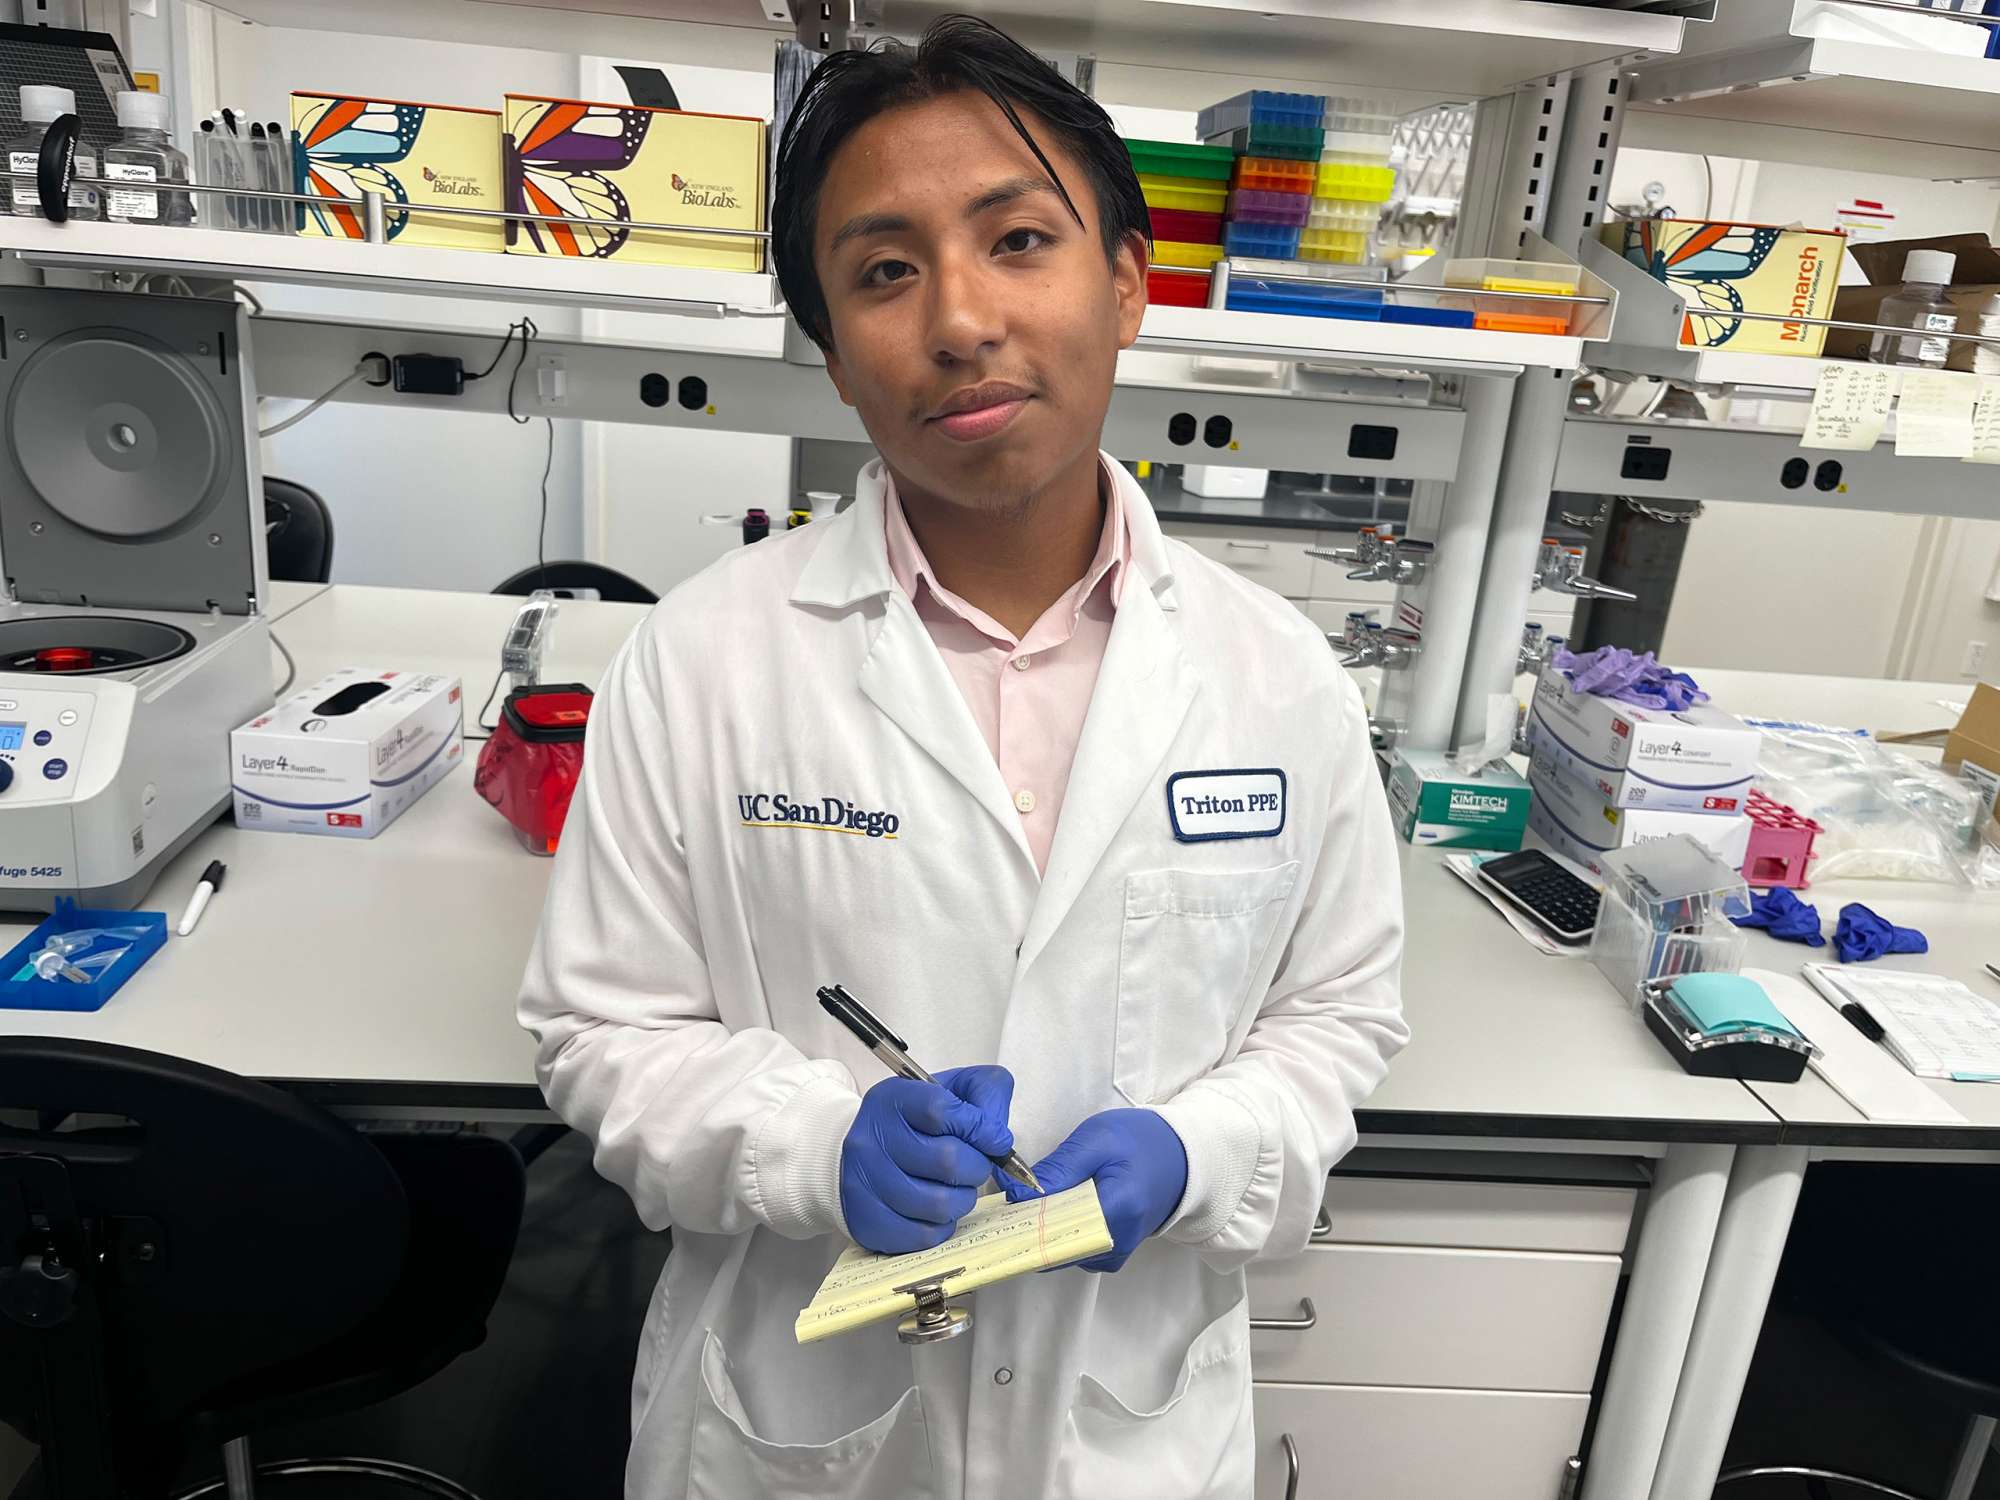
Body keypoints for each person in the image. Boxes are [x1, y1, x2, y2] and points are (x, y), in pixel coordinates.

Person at [517, 16, 1407, 1498]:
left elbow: (1337, 1022)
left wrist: (1196, 1152)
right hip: (805, 1415)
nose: (959, 319)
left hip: (1117, 1418)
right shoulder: (703, 657)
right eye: (884, 271)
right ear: (835, 358)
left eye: (1017, 241)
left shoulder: (1276, 677)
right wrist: (812, 1144)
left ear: (1126, 284)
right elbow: (600, 1032)